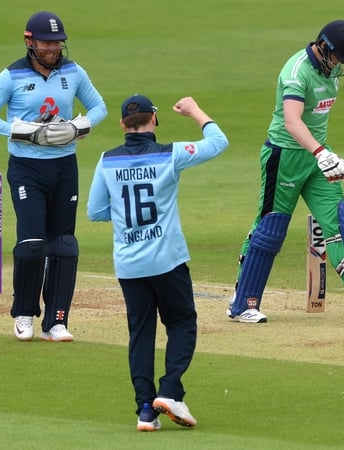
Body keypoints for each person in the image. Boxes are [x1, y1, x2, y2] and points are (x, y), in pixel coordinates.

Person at [227, 19, 344, 324]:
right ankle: (243, 302)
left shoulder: (331, 70)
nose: (341, 65)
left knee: (343, 224)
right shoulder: (296, 71)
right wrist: (321, 153)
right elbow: (292, 120)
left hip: (316, 158)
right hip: (284, 157)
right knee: (270, 228)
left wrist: (325, 155)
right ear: (323, 47)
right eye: (339, 57)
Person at [87, 94, 228, 431]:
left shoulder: (106, 160)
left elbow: (95, 211)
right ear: (154, 119)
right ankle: (169, 391)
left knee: (141, 334)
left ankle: (145, 412)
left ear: (123, 125)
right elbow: (218, 142)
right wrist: (194, 111)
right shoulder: (171, 154)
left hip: (129, 264)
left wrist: (123, 217)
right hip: (167, 260)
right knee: (181, 322)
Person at [0, 11, 107, 342]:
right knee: (32, 245)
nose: (53, 49)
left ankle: (56, 320)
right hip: (27, 168)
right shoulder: (11, 76)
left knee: (64, 245)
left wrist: (76, 128)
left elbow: (99, 107)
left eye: (57, 43)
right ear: (29, 41)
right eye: (47, 43)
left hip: (65, 167)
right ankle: (24, 313)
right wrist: (20, 132)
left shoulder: (73, 72)